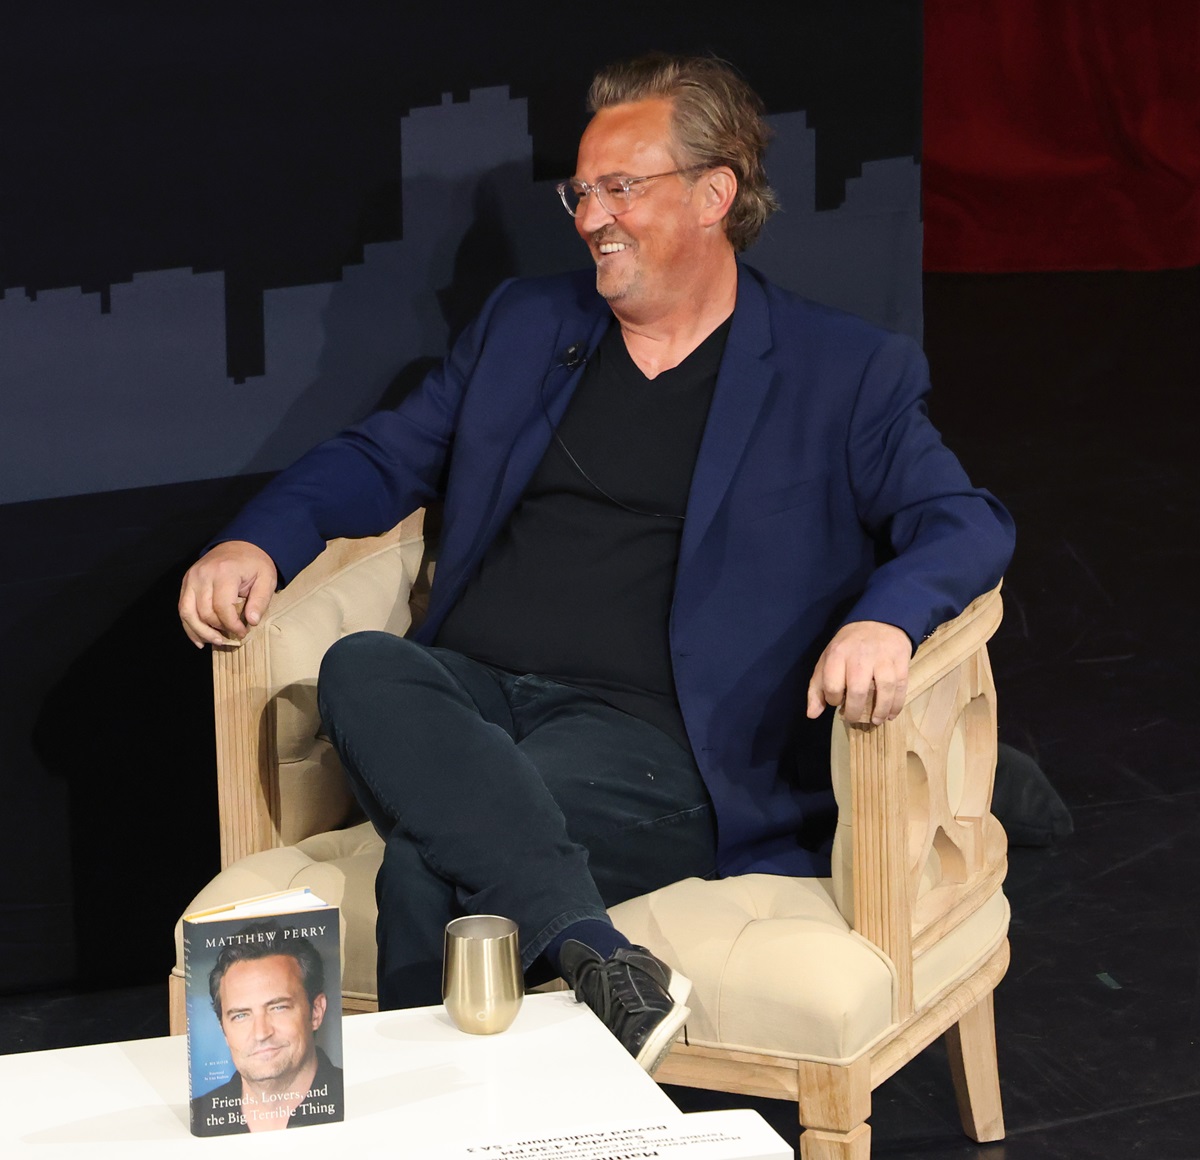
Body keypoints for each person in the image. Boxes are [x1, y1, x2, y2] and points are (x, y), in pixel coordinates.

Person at [179, 53, 1015, 1074]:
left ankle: (435, 1129)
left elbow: (963, 522)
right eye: (582, 190)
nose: (589, 216)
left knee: (423, 875)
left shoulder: (841, 370)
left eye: (622, 187)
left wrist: (886, 615)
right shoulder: (527, 326)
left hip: (658, 739)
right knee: (360, 663)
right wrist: (256, 536)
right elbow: (383, 455)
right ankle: (597, 953)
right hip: (473, 695)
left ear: (716, 194)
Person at [190, 922, 343, 1134]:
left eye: (278, 1007)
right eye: (241, 1015)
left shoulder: (354, 1104)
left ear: (316, 1011)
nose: (261, 1033)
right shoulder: (199, 1117)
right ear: (223, 1029)